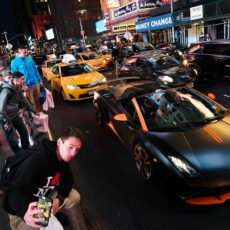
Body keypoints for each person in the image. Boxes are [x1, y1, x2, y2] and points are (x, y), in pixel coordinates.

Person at [3, 126, 83, 230]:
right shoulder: (35, 161)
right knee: (32, 226)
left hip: (41, 200)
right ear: (59, 142)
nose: (73, 153)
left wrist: (59, 199)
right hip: (22, 207)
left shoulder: (62, 158)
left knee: (74, 196)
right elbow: (13, 191)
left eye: (77, 150)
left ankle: (51, 215)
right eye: (71, 147)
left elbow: (68, 180)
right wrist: (24, 213)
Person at [0, 71, 36, 153]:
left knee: (23, 132)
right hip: (5, 117)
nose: (24, 80)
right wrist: (7, 122)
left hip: (14, 114)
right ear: (16, 80)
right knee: (11, 138)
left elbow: (23, 100)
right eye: (22, 79)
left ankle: (25, 150)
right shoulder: (6, 90)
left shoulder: (18, 87)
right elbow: (0, 109)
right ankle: (18, 154)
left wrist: (32, 110)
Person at [11, 45, 43, 112]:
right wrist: (21, 86)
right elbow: (15, 76)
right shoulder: (14, 62)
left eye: (26, 52)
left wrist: (40, 81)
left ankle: (40, 114)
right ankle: (34, 115)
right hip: (26, 85)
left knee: (38, 100)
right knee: (30, 102)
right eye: (24, 52)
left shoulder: (30, 59)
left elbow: (35, 70)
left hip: (35, 82)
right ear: (19, 52)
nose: (26, 54)